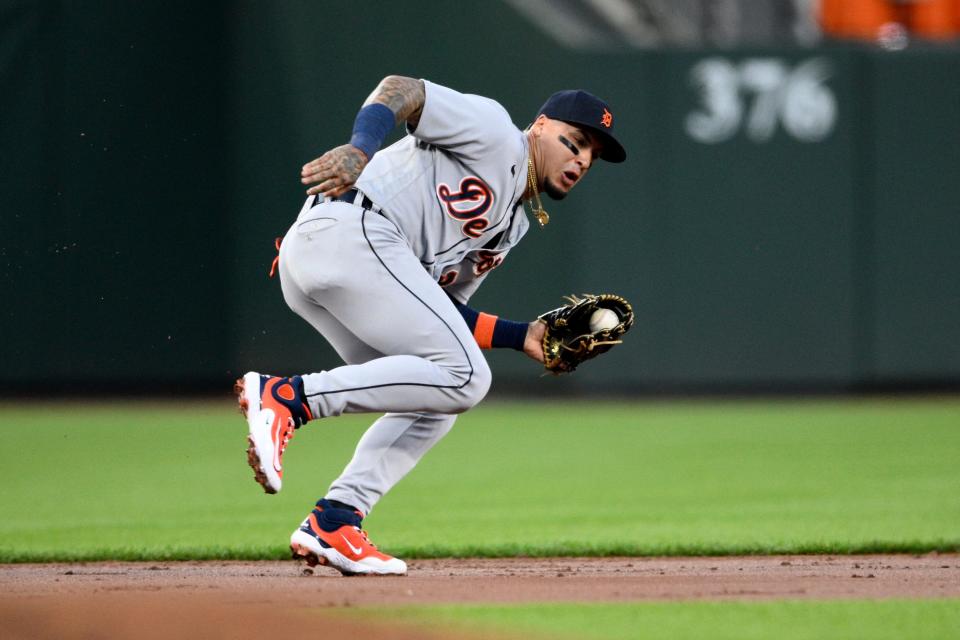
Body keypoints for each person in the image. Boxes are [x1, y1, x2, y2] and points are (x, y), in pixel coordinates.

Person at [236, 75, 626, 576]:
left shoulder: (512, 224)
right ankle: (290, 398)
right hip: (350, 228)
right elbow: (401, 89)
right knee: (468, 377)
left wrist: (521, 335)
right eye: (574, 143)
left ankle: (336, 521)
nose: (581, 160)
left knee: (435, 393)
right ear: (541, 126)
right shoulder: (496, 133)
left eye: (590, 158)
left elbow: (440, 312)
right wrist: (360, 148)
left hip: (337, 261)